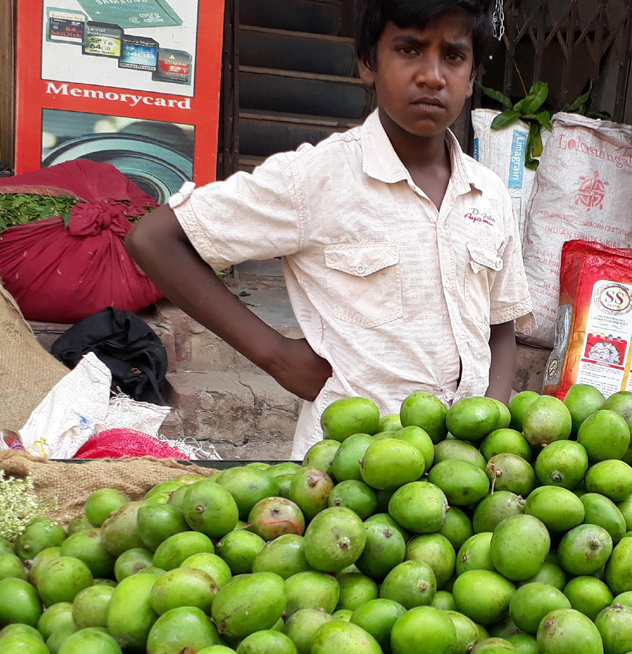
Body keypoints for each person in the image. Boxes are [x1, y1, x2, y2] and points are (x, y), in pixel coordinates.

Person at [125, 0, 533, 460]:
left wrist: (493, 423)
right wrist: (275, 354)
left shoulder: (489, 194)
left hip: (464, 476)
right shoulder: (317, 179)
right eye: (409, 50)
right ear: (367, 63)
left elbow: (500, 327)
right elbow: (156, 239)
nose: (432, 76)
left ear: (473, 74)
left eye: (453, 56)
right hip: (346, 472)